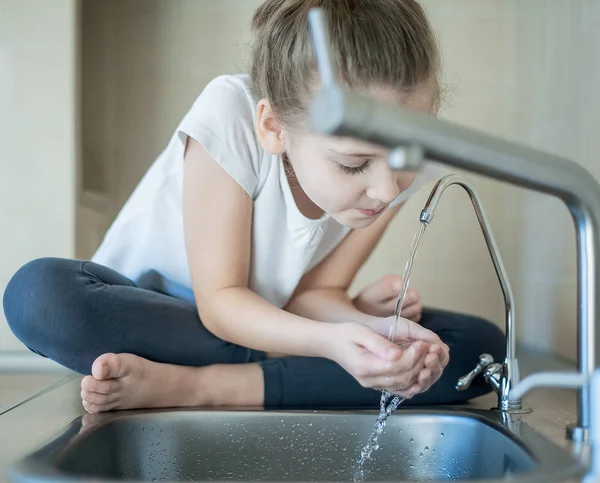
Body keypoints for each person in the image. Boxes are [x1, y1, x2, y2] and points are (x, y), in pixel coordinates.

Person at [3, 0, 504, 414]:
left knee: (478, 348)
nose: (386, 189)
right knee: (40, 295)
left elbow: (315, 293)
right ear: (273, 128)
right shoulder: (231, 114)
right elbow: (221, 303)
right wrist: (334, 336)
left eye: (407, 159)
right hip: (161, 318)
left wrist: (367, 330)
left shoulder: (391, 174)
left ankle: (192, 387)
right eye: (354, 165)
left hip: (265, 323)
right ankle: (266, 371)